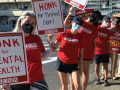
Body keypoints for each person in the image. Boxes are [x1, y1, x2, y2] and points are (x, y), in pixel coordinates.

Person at [1, 11, 57, 90]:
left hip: (37, 78)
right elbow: (5, 62)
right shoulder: (10, 39)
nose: (30, 25)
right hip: (19, 81)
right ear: (20, 22)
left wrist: (51, 50)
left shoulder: (36, 38)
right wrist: (4, 81)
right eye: (27, 22)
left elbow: (41, 56)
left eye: (33, 23)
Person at [64, 6, 101, 90]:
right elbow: (65, 24)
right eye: (94, 15)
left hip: (87, 52)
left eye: (97, 17)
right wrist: (70, 12)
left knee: (85, 72)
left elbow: (94, 43)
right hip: (75, 51)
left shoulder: (95, 29)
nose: (94, 17)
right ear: (91, 14)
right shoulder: (81, 21)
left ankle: (83, 89)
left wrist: (93, 55)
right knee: (73, 72)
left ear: (97, 20)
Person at [48, 16, 85, 90]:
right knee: (64, 85)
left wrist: (81, 67)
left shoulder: (81, 37)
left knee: (77, 85)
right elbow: (54, 46)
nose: (78, 25)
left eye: (80, 24)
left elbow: (81, 54)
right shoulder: (63, 33)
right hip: (62, 61)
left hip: (74, 63)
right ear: (72, 23)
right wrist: (50, 39)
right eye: (76, 23)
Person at [100, 13, 120, 80]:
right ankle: (103, 74)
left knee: (114, 60)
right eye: (117, 18)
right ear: (114, 18)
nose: (118, 20)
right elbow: (104, 31)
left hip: (116, 46)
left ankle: (113, 74)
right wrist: (112, 28)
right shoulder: (109, 24)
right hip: (107, 45)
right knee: (105, 61)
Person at [94, 16, 111, 86]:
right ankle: (97, 78)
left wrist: (109, 51)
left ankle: (106, 80)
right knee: (97, 66)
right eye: (106, 21)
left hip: (105, 51)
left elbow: (108, 42)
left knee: (105, 66)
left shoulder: (108, 31)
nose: (107, 23)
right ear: (103, 21)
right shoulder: (96, 28)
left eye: (108, 22)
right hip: (97, 51)